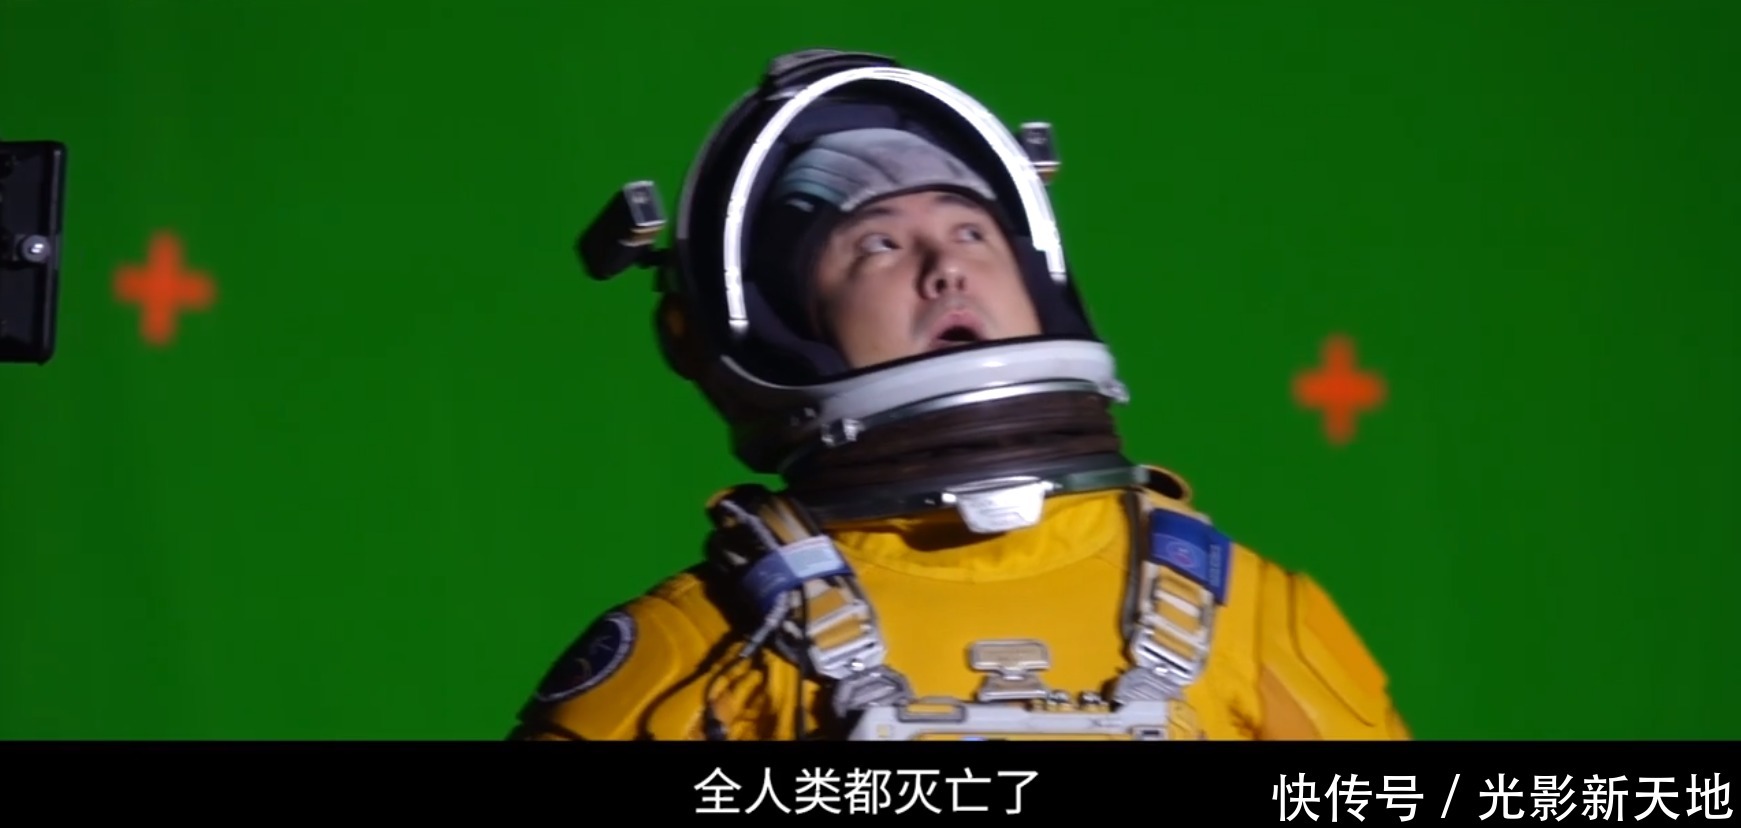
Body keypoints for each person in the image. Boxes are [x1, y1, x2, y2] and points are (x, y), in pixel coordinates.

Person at [509, 49, 1412, 741]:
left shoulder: (1255, 618)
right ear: (779, 324)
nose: (947, 269)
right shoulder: (699, 648)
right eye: (877, 245)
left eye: (971, 231)